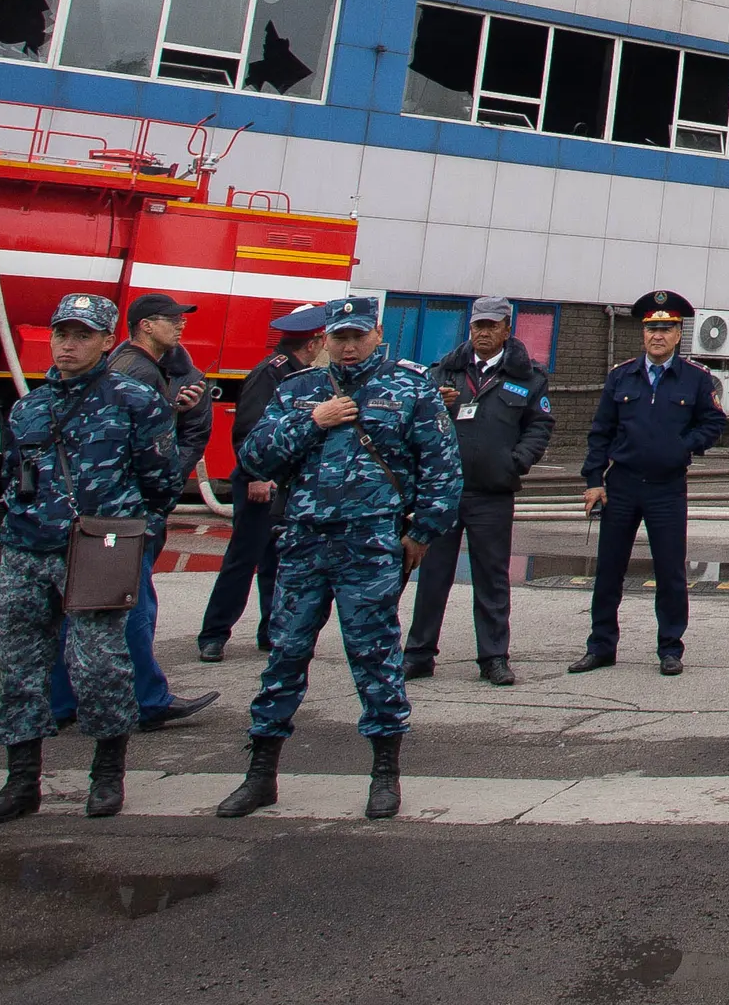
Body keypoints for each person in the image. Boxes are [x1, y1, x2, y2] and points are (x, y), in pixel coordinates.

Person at [219, 292, 463, 821]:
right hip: (304, 543)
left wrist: (421, 533)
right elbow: (254, 458)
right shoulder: (298, 389)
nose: (349, 347)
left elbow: (442, 469)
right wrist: (314, 420)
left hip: (370, 544)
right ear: (324, 339)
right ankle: (260, 774)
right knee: (284, 656)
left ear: (378, 335)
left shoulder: (410, 387)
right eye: (339, 338)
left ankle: (385, 774)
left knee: (375, 658)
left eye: (358, 336)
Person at [0, 292, 180, 825]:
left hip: (96, 547)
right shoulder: (29, 406)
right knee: (20, 668)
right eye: (62, 333)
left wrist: (130, 531)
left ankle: (107, 775)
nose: (69, 345)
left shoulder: (135, 400)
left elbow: (161, 480)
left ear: (107, 340)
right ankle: (21, 781)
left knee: (100, 665)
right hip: (27, 551)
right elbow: (14, 473)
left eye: (83, 335)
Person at [51, 292, 219, 735]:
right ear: (145, 325)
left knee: (85, 606)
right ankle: (147, 701)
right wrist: (156, 498)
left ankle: (61, 702)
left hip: (100, 516)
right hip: (118, 518)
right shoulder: (135, 372)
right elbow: (139, 450)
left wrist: (176, 410)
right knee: (129, 606)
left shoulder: (146, 369)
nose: (181, 325)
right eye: (171, 319)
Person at [575, 290, 727, 675]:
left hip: (667, 488)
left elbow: (714, 422)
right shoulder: (621, 376)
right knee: (609, 570)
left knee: (670, 572)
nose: (658, 336)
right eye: (651, 329)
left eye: (666, 328)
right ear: (643, 334)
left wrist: (683, 446)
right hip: (621, 486)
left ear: (678, 334)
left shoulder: (696, 378)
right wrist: (594, 480)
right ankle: (601, 646)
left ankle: (670, 648)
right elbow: (600, 432)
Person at [414, 298, 555, 686]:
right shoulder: (444, 372)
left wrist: (516, 461)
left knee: (492, 579)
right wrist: (434, 404)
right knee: (432, 577)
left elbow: (540, 425)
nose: (483, 333)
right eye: (478, 326)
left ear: (507, 329)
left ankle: (493, 657)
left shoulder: (528, 377)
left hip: (492, 493)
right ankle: (419, 654)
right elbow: (416, 422)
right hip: (444, 492)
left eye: (492, 326)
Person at [195, 302, 329, 661]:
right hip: (261, 485)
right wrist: (257, 477)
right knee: (244, 558)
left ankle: (272, 630)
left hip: (286, 485)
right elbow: (248, 429)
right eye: (323, 341)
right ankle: (214, 634)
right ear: (313, 343)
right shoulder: (272, 373)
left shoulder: (303, 375)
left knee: (279, 561)